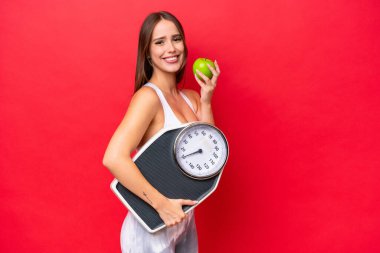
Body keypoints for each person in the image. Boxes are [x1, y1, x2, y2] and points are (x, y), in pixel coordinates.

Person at [102, 11, 220, 253]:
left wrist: (207, 101)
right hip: (152, 225)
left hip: (184, 220)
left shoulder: (192, 98)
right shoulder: (148, 98)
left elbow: (210, 159)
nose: (171, 48)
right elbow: (113, 158)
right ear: (147, 52)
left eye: (176, 39)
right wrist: (162, 205)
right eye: (160, 42)